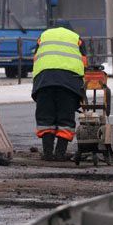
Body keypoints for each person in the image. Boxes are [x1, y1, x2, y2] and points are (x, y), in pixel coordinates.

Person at [32, 19, 88, 161]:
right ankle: (60, 153)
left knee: (45, 117)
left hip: (44, 81)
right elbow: (84, 63)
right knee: (65, 118)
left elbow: (35, 58)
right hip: (68, 83)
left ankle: (48, 153)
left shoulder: (43, 36)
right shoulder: (76, 38)